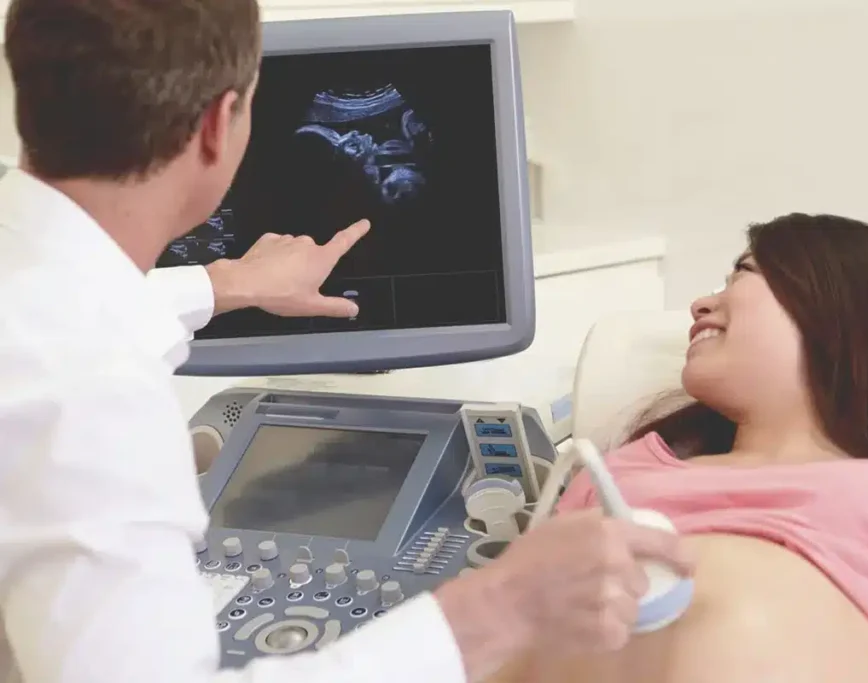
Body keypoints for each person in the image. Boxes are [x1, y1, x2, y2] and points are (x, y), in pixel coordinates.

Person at [0, 2, 693, 683]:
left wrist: (219, 283)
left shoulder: (44, 307)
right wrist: (501, 605)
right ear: (217, 126)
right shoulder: (94, 390)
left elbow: (66, 311)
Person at [504, 214, 868, 683]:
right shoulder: (612, 474)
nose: (701, 304)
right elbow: (501, 627)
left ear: (845, 305)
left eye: (743, 274)